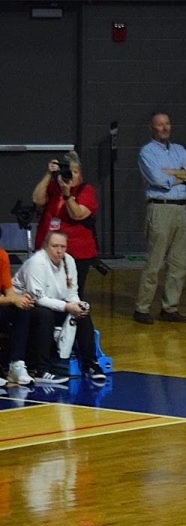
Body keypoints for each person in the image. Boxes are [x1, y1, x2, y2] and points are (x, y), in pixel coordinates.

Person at [11, 231, 107, 385]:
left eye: (63, 246)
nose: (59, 250)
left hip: (55, 305)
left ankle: (91, 363)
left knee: (82, 314)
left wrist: (77, 305)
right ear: (45, 246)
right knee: (45, 314)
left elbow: (72, 293)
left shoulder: (69, 261)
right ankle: (42, 369)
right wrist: (68, 306)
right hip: (25, 307)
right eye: (55, 246)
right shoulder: (36, 262)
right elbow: (39, 299)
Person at [135, 112, 186, 324]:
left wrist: (172, 173)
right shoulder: (147, 152)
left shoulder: (179, 149)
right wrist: (180, 174)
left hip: (181, 209)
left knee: (178, 263)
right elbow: (158, 179)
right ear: (151, 128)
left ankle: (170, 308)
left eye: (167, 124)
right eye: (160, 125)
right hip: (160, 209)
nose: (164, 128)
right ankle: (142, 308)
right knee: (155, 261)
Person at [32, 151, 99, 295]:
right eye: (68, 171)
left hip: (76, 252)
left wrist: (67, 194)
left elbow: (77, 214)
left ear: (80, 173)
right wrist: (49, 174)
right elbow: (37, 200)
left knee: (72, 292)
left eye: (75, 171)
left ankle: (76, 317)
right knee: (46, 290)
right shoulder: (54, 186)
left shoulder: (86, 190)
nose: (71, 175)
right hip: (48, 248)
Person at [1, 246, 35, 387]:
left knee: (23, 309)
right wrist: (13, 300)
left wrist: (21, 298)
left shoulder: (2, 255)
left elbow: (9, 292)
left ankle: (16, 365)